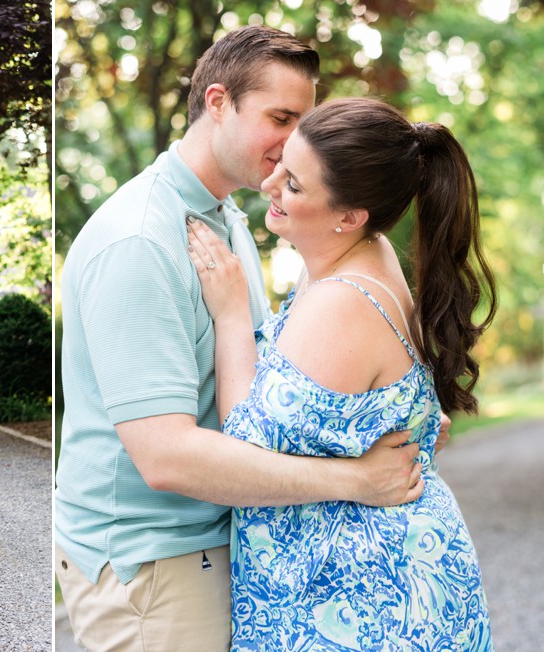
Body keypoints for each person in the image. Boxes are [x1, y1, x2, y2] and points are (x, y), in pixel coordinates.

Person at [55, 26, 430, 652]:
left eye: (304, 121)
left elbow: (270, 384)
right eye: (280, 118)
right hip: (156, 567)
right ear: (218, 102)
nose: (294, 146)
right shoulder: (142, 241)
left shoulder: (225, 216)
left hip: (214, 544)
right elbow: (165, 457)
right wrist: (356, 479)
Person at [187, 96, 496, 649]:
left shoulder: (342, 300)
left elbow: (243, 450)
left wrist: (232, 313)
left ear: (349, 217)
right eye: (283, 163)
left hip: (360, 602)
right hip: (366, 583)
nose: (270, 185)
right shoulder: (364, 256)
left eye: (296, 185)